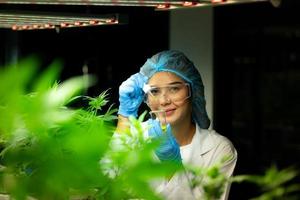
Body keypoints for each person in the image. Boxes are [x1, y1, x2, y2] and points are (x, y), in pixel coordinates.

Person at [116, 50, 237, 200]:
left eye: (174, 88)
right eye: (155, 91)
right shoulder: (133, 136)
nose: (164, 101)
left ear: (193, 91)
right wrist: (124, 118)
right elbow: (104, 183)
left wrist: (172, 166)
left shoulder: (218, 148)